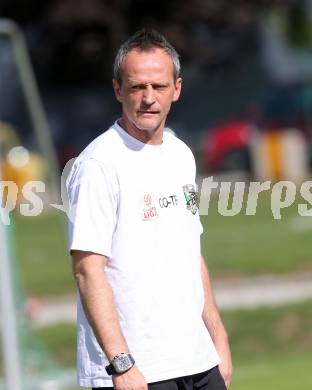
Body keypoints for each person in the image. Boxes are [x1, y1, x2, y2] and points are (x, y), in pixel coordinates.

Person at [66, 28, 232, 390]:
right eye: (137, 87)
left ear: (177, 89)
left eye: (158, 86)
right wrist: (121, 364)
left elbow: (191, 250)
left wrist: (217, 335)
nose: (148, 98)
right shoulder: (99, 164)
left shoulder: (180, 154)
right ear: (117, 90)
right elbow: (87, 270)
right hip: (137, 370)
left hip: (198, 361)